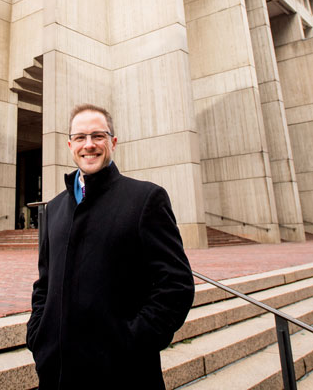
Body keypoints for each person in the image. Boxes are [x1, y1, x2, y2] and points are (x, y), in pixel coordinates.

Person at [27, 104, 195, 389]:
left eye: (98, 136)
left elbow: (176, 285)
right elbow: (44, 283)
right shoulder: (54, 209)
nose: (89, 145)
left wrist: (131, 341)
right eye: (80, 137)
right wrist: (38, 335)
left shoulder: (145, 199)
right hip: (56, 374)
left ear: (113, 143)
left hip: (123, 374)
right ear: (70, 145)